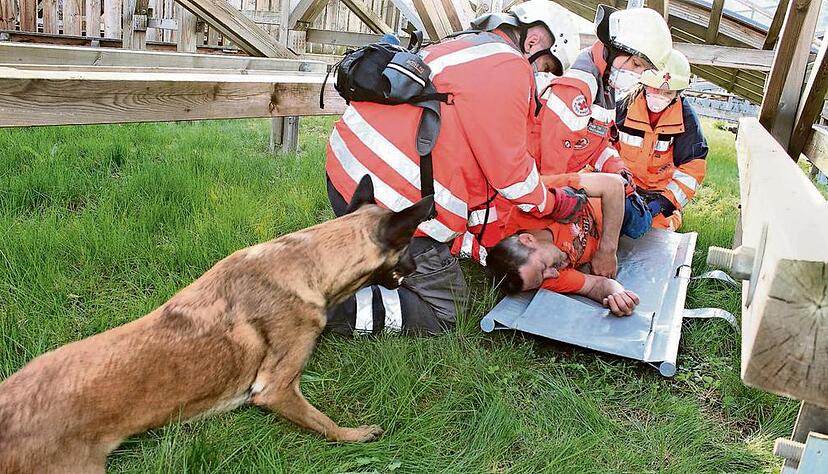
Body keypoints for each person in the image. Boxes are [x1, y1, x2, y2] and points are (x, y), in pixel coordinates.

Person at [324, 0, 581, 336]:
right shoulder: (510, 67)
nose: (540, 75)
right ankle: (325, 310)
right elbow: (513, 177)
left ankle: (352, 261)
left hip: (347, 175)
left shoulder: (464, 46)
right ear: (534, 42)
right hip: (392, 205)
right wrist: (554, 203)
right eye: (545, 65)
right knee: (448, 312)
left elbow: (469, 160)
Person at [533, 6, 673, 247]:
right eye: (637, 65)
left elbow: (597, 141)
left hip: (566, 180)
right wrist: (562, 219)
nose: (637, 74)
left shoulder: (605, 85)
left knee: (636, 222)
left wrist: (617, 169)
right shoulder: (579, 87)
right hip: (542, 188)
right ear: (616, 49)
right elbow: (550, 170)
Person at [487, 172, 640, 316]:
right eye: (543, 278)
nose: (554, 274)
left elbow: (612, 185)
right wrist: (618, 295)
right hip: (620, 226)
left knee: (638, 217)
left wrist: (607, 250)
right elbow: (593, 285)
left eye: (543, 267)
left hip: (616, 198)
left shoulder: (533, 201)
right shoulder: (540, 278)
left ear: (528, 240)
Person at [615, 50, 708, 231]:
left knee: (655, 230)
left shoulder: (687, 121)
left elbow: (691, 172)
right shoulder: (622, 107)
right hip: (621, 184)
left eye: (667, 92)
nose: (659, 95)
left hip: (657, 194)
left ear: (677, 94)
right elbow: (601, 148)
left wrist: (662, 203)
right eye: (654, 88)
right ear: (644, 84)